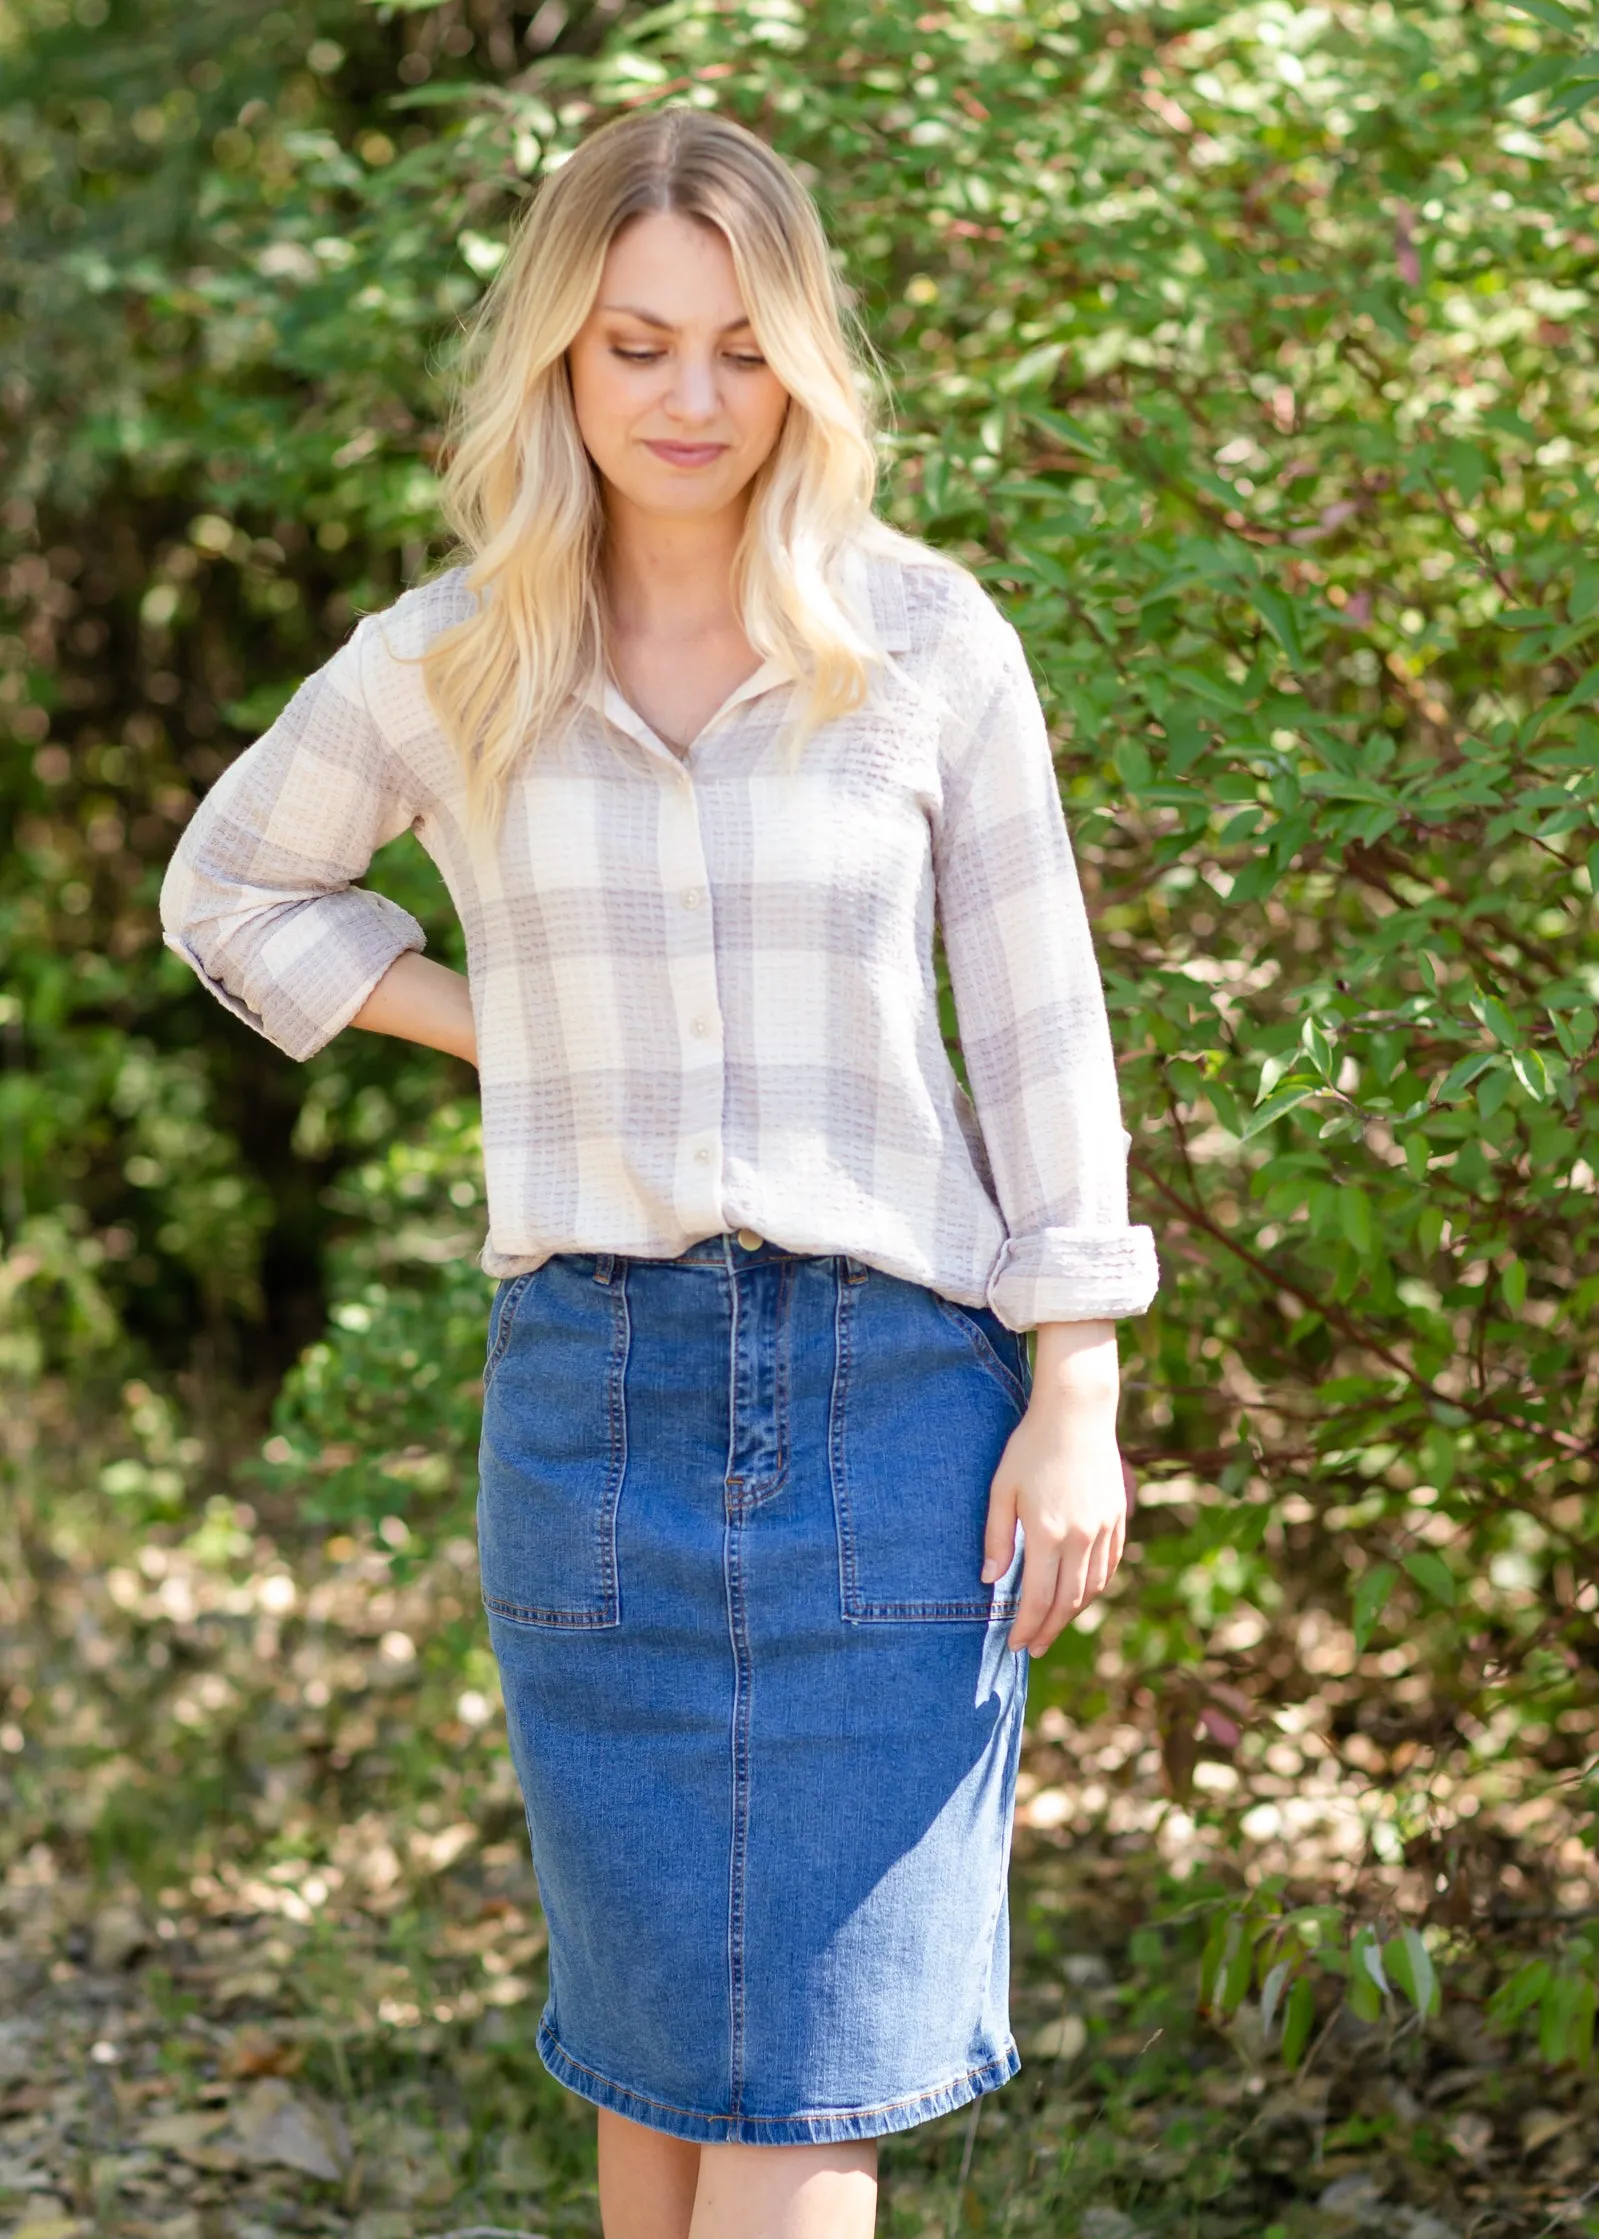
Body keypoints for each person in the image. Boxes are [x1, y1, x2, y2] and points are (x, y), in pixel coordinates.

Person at [158, 103, 1158, 2239]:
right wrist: (500, 1017)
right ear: (557, 359)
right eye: (635, 346)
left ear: (804, 358)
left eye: (737, 343)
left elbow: (1041, 1020)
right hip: (591, 1407)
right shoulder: (449, 660)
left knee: (807, 2083)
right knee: (651, 2056)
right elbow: (228, 888)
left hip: (900, 1412)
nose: (691, 399)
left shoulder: (924, 646)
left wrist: (1075, 1386)